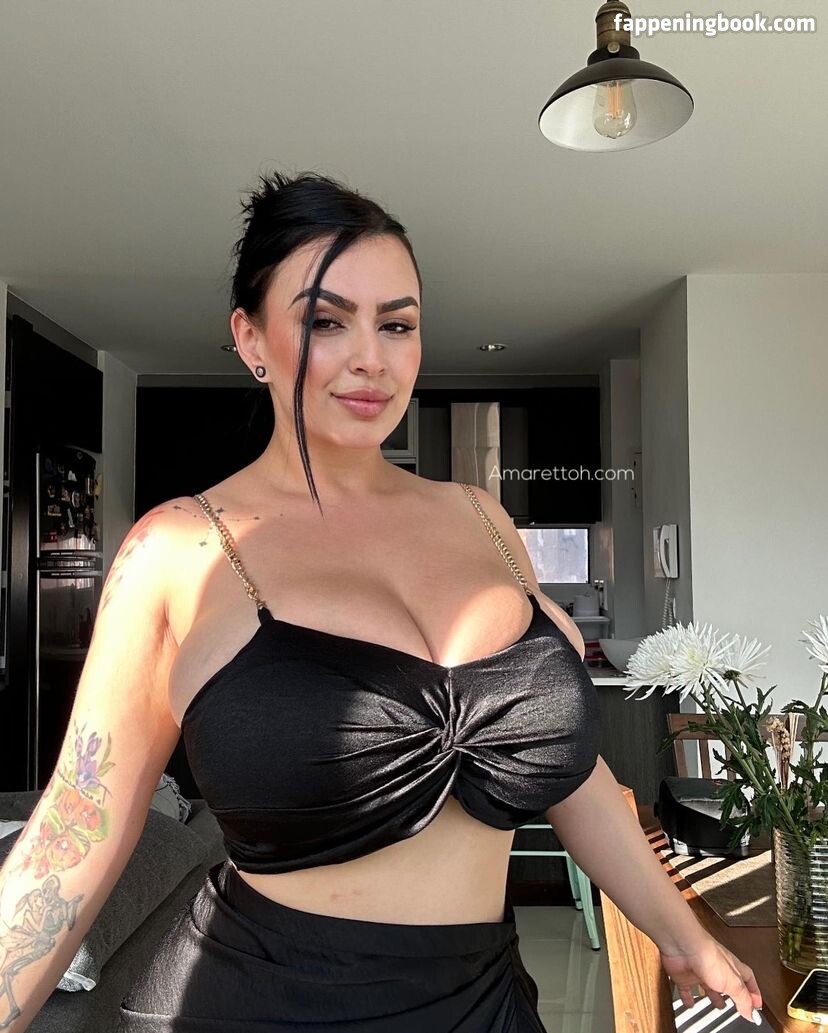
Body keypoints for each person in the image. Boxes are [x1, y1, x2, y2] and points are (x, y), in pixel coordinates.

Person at [0, 171, 762, 1032]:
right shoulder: (178, 549)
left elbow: (571, 768)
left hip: (487, 1007)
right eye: (326, 321)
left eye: (397, 324)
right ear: (251, 338)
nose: (372, 357)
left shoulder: (483, 520)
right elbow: (74, 830)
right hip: (258, 1008)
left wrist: (682, 934)